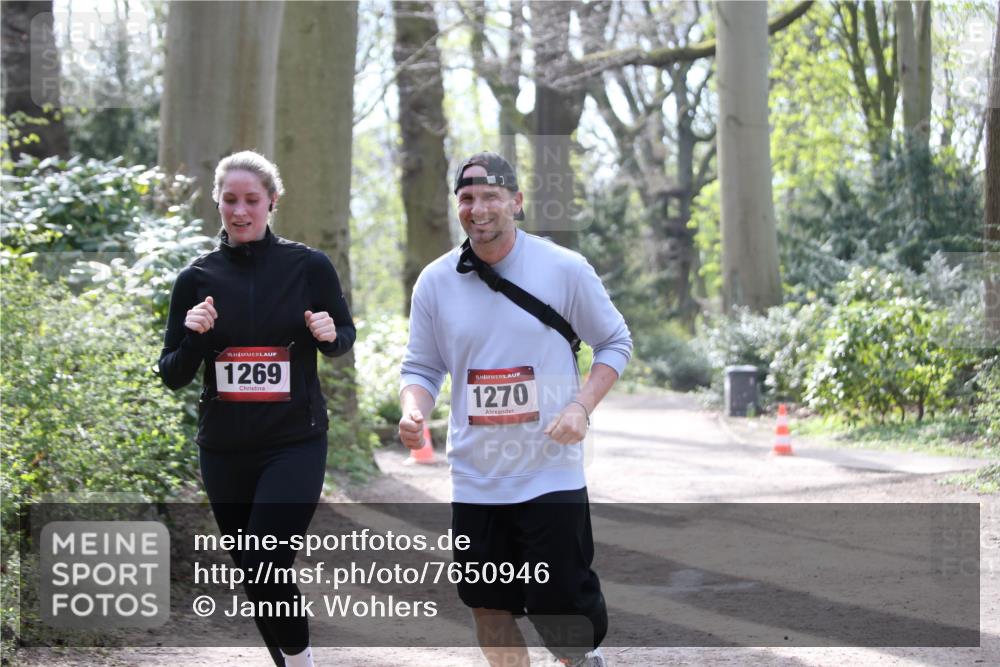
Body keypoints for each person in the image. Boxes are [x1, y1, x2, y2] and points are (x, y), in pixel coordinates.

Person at [398, 152, 631, 667]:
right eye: (466, 198)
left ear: (516, 202)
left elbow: (614, 342)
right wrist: (413, 410)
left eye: (490, 197)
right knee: (488, 604)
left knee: (561, 612)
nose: (477, 209)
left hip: (550, 472)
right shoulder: (436, 282)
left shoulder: (564, 268)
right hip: (477, 476)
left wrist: (580, 406)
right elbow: (421, 367)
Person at [158, 150, 355, 667]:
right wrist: (196, 337)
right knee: (253, 568)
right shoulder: (195, 278)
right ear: (217, 203)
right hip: (224, 450)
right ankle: (292, 661)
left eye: (251, 200)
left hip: (294, 441)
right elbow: (172, 373)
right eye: (229, 200)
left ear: (271, 202)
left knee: (267, 555)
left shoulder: (308, 267)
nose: (239, 210)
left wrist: (331, 336)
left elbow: (342, 336)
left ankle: (300, 660)